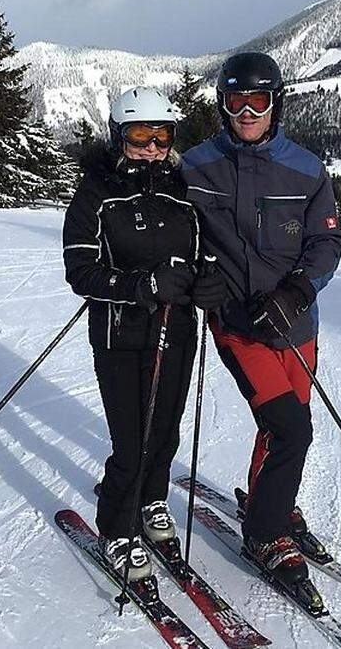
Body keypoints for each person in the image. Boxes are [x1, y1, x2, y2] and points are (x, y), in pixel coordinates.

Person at [181, 52, 341, 591]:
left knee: (289, 428)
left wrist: (299, 289)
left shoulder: (305, 168)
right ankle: (266, 530)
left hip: (296, 324)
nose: (247, 112)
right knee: (290, 428)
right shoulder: (195, 166)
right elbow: (164, 220)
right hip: (237, 323)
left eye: (258, 100)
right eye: (235, 101)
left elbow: (325, 240)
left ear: (277, 103)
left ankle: (272, 497)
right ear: (222, 104)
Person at [62, 87, 227, 581]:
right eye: (140, 135)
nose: (153, 146)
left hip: (176, 331)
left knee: (165, 433)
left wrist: (208, 278)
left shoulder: (183, 190)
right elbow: (80, 270)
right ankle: (116, 526)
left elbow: (202, 253)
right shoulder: (98, 189)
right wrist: (141, 285)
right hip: (119, 335)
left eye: (162, 135)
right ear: (119, 136)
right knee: (130, 442)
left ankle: (154, 499)